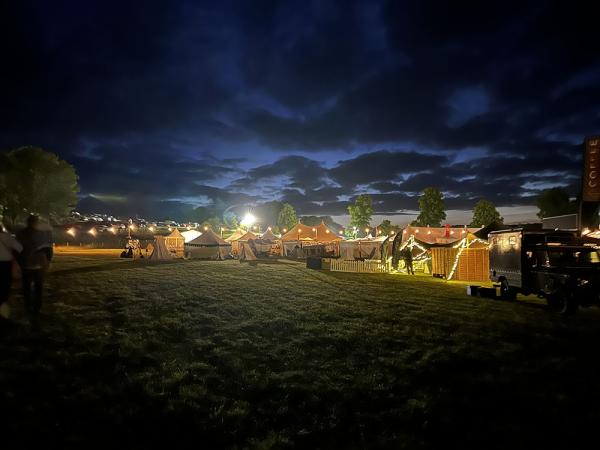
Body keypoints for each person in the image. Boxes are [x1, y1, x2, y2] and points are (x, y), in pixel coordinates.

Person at [16, 215, 54, 318]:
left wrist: (19, 262)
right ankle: (36, 309)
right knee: (38, 289)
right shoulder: (43, 234)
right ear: (37, 223)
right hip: (39, 265)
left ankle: (28, 308)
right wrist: (48, 261)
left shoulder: (20, 234)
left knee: (27, 289)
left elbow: (16, 250)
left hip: (27, 265)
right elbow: (49, 249)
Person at [0, 225, 23, 319]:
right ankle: (3, 308)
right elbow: (20, 248)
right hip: (5, 265)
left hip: (6, 264)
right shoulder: (7, 237)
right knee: (5, 286)